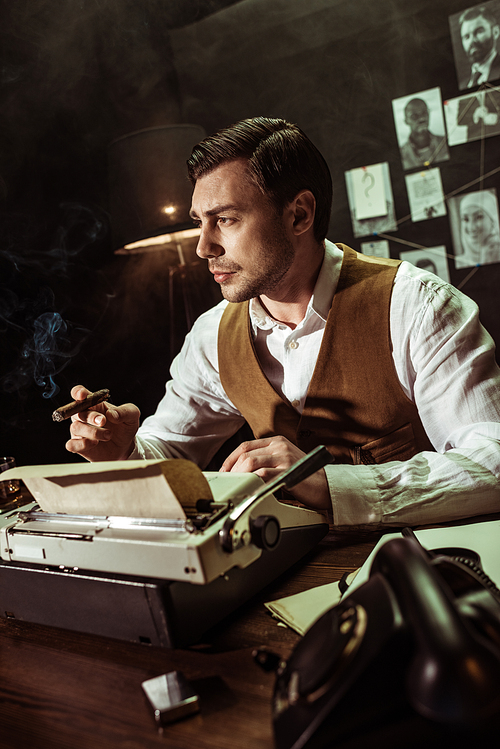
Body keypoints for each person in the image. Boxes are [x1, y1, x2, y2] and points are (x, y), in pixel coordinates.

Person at [66, 117, 500, 527]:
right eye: (200, 222)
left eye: (226, 220)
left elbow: (492, 463)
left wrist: (329, 484)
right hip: (281, 577)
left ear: (299, 215)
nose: (203, 247)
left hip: (421, 574)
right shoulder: (213, 334)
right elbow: (169, 447)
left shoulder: (416, 305)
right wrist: (124, 449)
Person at [399, 98, 449, 170]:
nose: (421, 119)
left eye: (424, 113)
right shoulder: (401, 155)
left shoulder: (446, 142)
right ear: (406, 121)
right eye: (414, 116)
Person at [455, 190, 500, 268]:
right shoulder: (458, 262)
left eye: (479, 217)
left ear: (493, 221)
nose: (471, 227)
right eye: (465, 219)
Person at [459, 5, 500, 89]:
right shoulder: (463, 84)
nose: (472, 41)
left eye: (479, 32)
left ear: (495, 32)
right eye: (467, 37)